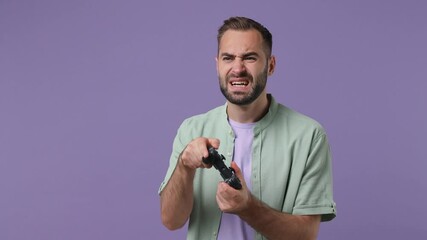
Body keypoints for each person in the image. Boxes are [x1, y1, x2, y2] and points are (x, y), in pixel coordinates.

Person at [158, 16, 336, 240]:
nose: (237, 68)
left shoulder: (309, 136)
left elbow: (306, 235)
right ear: (217, 65)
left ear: (270, 66)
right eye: (228, 58)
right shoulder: (192, 129)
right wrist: (185, 166)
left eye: (249, 57)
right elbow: (171, 220)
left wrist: (247, 207)